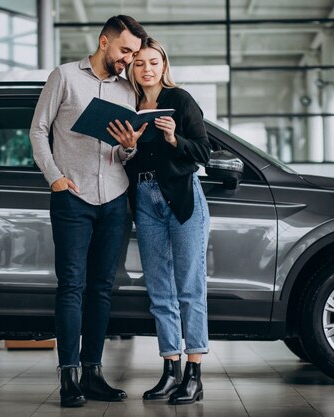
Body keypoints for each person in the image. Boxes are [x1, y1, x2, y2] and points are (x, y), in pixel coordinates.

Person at [30, 15, 147, 408]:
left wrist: (129, 146)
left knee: (101, 288)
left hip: (114, 197)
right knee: (71, 287)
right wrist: (55, 178)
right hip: (72, 197)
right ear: (103, 42)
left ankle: (94, 373)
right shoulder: (63, 76)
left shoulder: (127, 90)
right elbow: (38, 130)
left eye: (133, 54)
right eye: (125, 51)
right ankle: (69, 378)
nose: (129, 60)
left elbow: (121, 152)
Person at [107, 37, 211, 405]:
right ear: (132, 69)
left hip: (183, 199)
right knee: (160, 291)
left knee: (189, 287)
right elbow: (128, 161)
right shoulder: (128, 106)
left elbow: (203, 153)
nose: (147, 68)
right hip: (146, 201)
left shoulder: (180, 101)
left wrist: (171, 137)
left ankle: (194, 375)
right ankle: (170, 370)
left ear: (164, 66)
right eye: (140, 63)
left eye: (154, 62)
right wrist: (130, 146)